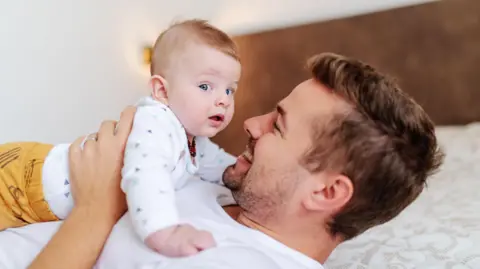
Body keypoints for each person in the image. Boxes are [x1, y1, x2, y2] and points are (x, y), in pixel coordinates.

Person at [0, 52, 444, 269]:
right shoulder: (227, 186)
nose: (251, 123)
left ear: (327, 191)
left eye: (279, 126)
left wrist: (96, 209)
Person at [0, 19, 241, 257]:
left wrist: (241, 172)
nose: (224, 100)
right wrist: (164, 231)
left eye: (230, 89)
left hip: (34, 195)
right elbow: (146, 175)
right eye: (206, 86)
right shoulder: (156, 121)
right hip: (23, 179)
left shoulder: (195, 142)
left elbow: (220, 166)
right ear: (162, 91)